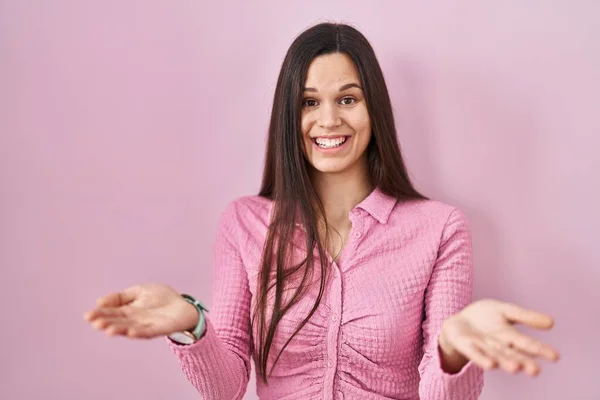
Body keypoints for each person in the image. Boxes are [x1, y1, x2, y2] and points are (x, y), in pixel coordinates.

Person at [84, 22, 559, 400]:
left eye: (347, 99)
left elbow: (442, 395)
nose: (328, 120)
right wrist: (192, 324)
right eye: (309, 102)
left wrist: (453, 349)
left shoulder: (439, 229)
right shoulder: (243, 223)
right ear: (289, 115)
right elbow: (224, 387)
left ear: (375, 111)